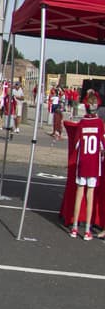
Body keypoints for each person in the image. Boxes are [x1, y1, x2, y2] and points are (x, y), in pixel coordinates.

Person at [67, 90, 102, 239]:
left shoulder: (82, 123)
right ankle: (87, 230)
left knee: (79, 194)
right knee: (90, 195)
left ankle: (74, 228)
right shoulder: (99, 123)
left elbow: (76, 145)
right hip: (94, 164)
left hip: (83, 162)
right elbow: (101, 145)